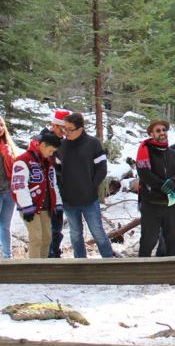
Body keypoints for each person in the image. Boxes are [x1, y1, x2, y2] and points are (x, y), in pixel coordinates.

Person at [56, 112, 114, 258]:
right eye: (65, 128)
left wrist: (91, 186)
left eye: (70, 129)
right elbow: (57, 171)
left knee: (98, 232)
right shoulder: (61, 146)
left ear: (80, 129)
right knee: (75, 234)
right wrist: (62, 190)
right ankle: (80, 264)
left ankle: (109, 262)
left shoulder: (92, 143)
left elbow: (102, 168)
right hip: (69, 200)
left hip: (89, 199)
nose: (66, 132)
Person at [136, 119, 175, 257]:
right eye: (158, 131)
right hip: (151, 205)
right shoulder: (145, 152)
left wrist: (174, 182)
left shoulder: (174, 153)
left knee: (172, 240)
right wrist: (163, 185)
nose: (162, 133)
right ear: (151, 134)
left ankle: (169, 274)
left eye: (164, 130)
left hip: (171, 205)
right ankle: (142, 272)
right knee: (148, 240)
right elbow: (145, 174)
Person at [11, 133, 63, 258]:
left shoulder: (48, 163)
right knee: (36, 238)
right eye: (50, 150)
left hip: (46, 207)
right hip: (31, 207)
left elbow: (53, 184)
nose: (51, 154)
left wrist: (58, 204)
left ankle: (43, 267)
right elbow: (19, 185)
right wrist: (26, 207)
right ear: (43, 145)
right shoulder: (22, 160)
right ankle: (33, 270)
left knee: (47, 238)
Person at [29, 109, 69, 258]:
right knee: (48, 227)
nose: (64, 132)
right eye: (62, 128)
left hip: (58, 190)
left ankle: (54, 252)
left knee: (57, 225)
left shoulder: (64, 142)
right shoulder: (42, 139)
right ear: (55, 125)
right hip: (45, 190)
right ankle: (47, 255)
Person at [0, 116, 19, 259]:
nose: (0, 128)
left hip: (8, 192)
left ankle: (8, 257)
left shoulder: (7, 146)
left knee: (5, 226)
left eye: (1, 125)